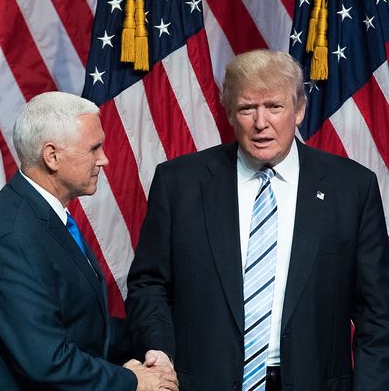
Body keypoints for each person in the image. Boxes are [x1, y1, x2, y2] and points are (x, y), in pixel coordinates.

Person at [126, 50, 389, 391]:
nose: (260, 122)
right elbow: (149, 284)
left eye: (274, 107)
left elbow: (377, 314)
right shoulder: (180, 183)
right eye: (247, 108)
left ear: (299, 110)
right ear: (231, 114)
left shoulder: (352, 187)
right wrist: (158, 349)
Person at [0, 91, 178, 391]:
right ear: (52, 156)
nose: (104, 159)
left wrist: (153, 343)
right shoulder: (15, 237)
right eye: (94, 148)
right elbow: (47, 362)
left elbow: (82, 326)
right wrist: (132, 381)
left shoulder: (42, 214)